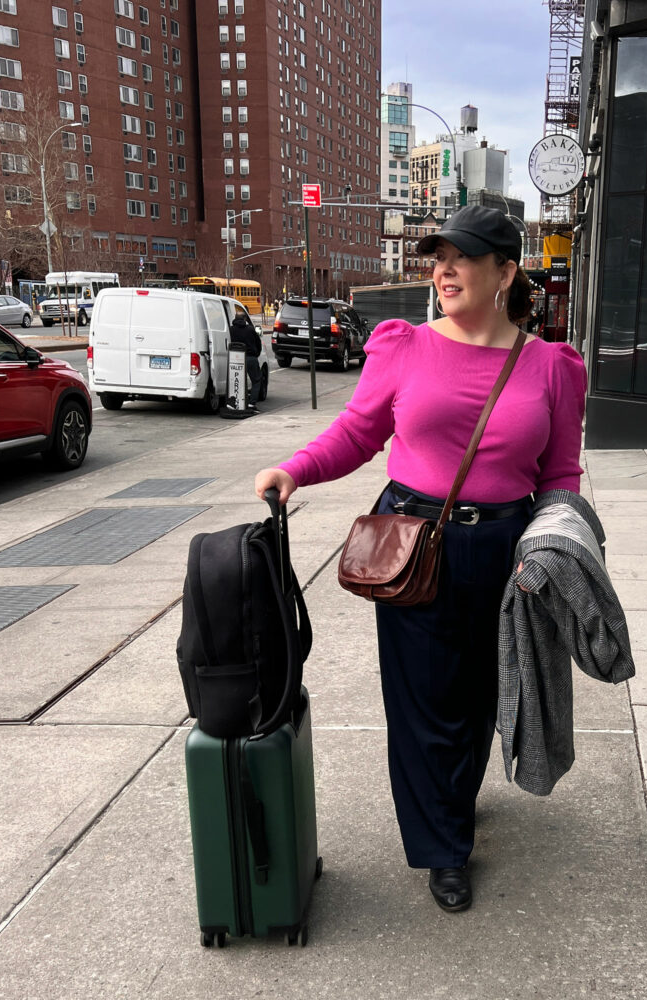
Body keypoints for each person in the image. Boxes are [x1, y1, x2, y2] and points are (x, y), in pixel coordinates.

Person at [255, 206, 586, 914]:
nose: (442, 270)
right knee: (425, 703)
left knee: (481, 695)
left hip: (507, 548)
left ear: (505, 271)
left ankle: (453, 798)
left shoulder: (552, 366)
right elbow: (357, 431)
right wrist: (296, 470)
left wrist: (566, 542)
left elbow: (561, 473)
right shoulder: (403, 345)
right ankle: (443, 848)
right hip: (414, 544)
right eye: (437, 256)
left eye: (461, 257)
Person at [229, 309, 263, 408]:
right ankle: (251, 403)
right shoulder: (250, 329)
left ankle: (234, 401)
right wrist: (256, 354)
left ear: (235, 318)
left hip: (235, 359)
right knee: (256, 380)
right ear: (244, 318)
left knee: (236, 381)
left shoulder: (230, 330)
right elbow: (258, 343)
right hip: (250, 358)